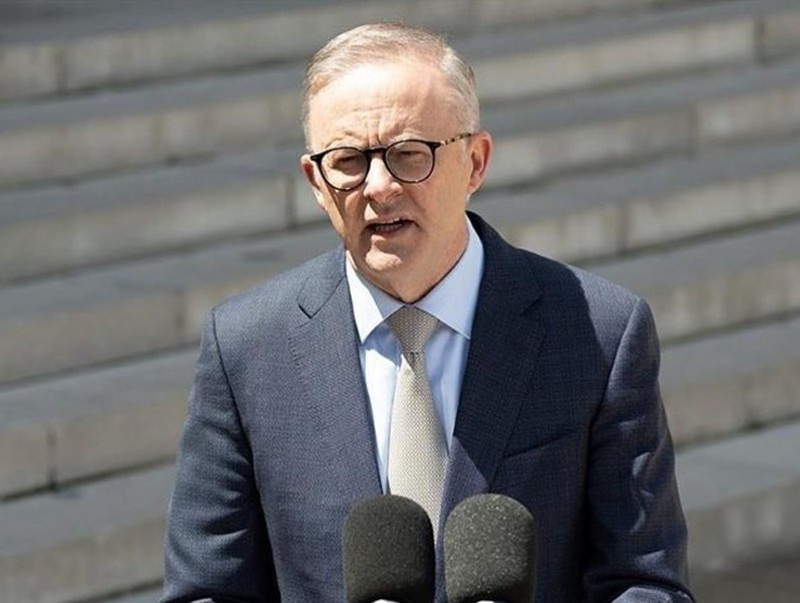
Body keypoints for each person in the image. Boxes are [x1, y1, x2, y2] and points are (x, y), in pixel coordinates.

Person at [161, 22, 694, 603]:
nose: (378, 187)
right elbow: (207, 590)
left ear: (475, 162)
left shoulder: (597, 333)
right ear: (316, 182)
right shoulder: (247, 347)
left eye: (409, 155)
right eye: (348, 161)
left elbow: (644, 581)